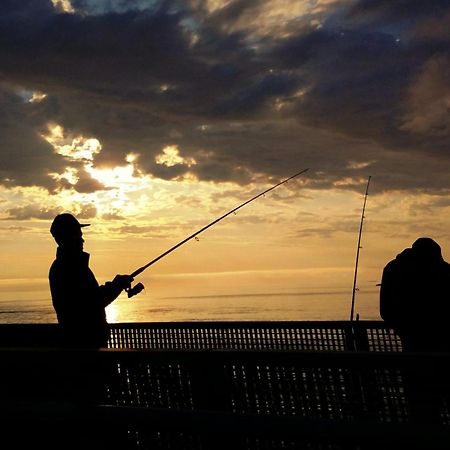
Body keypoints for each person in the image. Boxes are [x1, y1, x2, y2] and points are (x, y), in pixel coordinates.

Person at [49, 213, 133, 348]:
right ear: (66, 238)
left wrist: (115, 285)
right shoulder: (70, 267)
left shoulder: (65, 266)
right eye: (78, 236)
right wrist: (117, 285)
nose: (82, 240)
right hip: (86, 345)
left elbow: (90, 297)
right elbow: (92, 302)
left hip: (82, 342)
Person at [380, 237, 450, 352]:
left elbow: (386, 312)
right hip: (439, 344)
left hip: (408, 340)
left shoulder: (393, 269)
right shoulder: (441, 272)